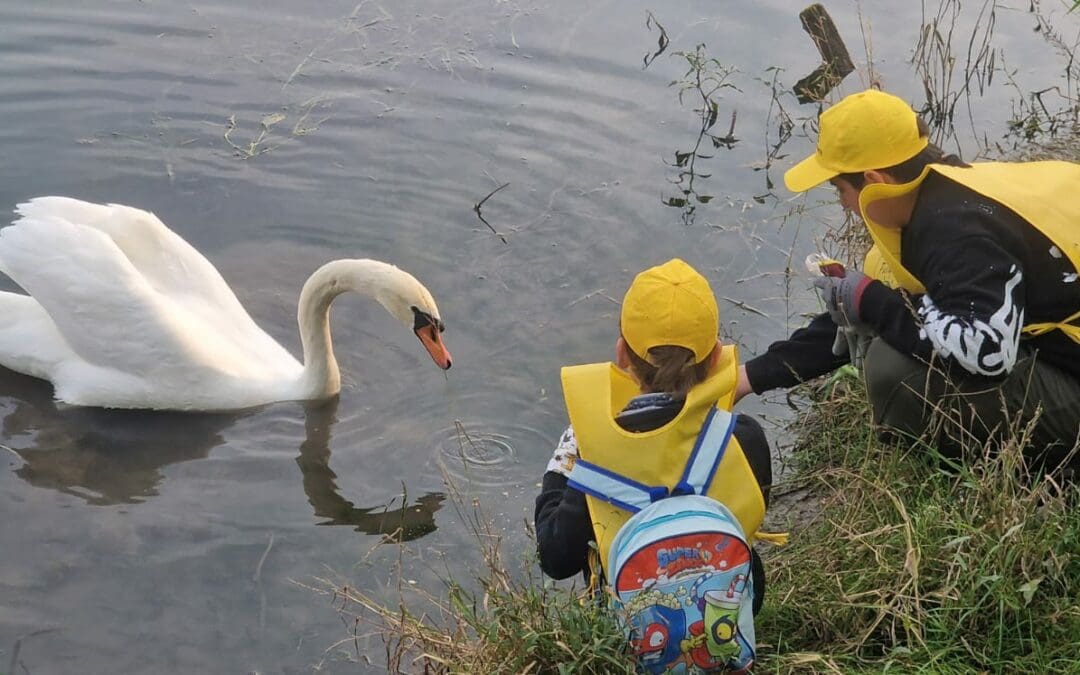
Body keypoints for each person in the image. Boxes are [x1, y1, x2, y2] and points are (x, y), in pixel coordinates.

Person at [734, 88, 1080, 473]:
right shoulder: (948, 189)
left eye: (840, 190)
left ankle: (1031, 471)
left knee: (891, 371)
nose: (844, 205)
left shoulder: (956, 232)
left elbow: (988, 353)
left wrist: (876, 304)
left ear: (873, 179)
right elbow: (861, 311)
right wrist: (747, 378)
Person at [534, 258, 774, 613]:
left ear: (622, 355)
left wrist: (564, 466)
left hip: (628, 636)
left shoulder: (596, 452)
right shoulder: (742, 438)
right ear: (716, 359)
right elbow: (748, 520)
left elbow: (556, 560)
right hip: (725, 618)